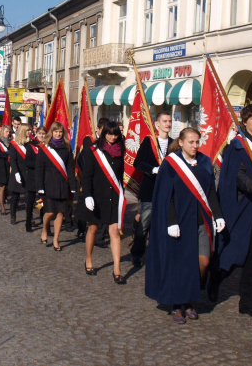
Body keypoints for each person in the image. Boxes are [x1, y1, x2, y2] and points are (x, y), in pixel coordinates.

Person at [146, 128, 225, 323]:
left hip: (202, 221)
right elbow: (166, 196)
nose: (195, 146)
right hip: (180, 222)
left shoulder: (205, 161)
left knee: (203, 262)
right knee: (180, 265)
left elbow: (210, 192)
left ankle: (190, 295)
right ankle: (179, 304)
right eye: (191, 142)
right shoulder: (171, 164)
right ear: (181, 142)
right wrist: (171, 221)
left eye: (197, 142)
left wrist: (218, 215)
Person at [209, 104, 252, 318]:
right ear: (245, 121)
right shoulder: (237, 146)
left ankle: (248, 303)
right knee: (233, 251)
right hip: (241, 206)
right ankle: (215, 279)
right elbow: (235, 176)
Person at [82, 121, 127, 283]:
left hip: (114, 195)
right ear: (104, 133)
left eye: (115, 134)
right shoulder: (94, 150)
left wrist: (122, 194)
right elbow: (87, 175)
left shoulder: (121, 150)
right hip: (96, 195)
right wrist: (87, 195)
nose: (113, 137)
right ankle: (88, 259)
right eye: (109, 133)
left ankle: (117, 269)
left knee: (114, 232)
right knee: (93, 229)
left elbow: (120, 176)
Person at [131, 111, 173, 268]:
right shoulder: (149, 142)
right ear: (157, 124)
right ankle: (137, 253)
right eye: (164, 121)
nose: (168, 124)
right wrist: (153, 169)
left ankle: (157, 255)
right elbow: (138, 163)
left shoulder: (174, 143)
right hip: (149, 190)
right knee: (144, 225)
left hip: (166, 191)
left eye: (169, 121)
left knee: (161, 226)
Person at [36, 122, 77, 251]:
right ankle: (44, 230)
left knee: (60, 213)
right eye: (56, 131)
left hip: (62, 184)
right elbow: (39, 168)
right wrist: (40, 186)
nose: (58, 134)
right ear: (51, 132)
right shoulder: (44, 147)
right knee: (50, 212)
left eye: (60, 132)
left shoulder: (67, 147)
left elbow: (70, 167)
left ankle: (56, 239)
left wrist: (72, 184)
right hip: (48, 183)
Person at [23, 126, 46, 232]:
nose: (41, 136)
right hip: (32, 177)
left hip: (43, 178)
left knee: (42, 201)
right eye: (40, 133)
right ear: (36, 134)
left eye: (43, 134)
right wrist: (39, 165)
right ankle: (28, 223)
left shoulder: (47, 146)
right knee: (30, 201)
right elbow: (27, 162)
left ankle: (44, 221)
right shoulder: (30, 145)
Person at [8, 125, 31, 225]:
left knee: (28, 198)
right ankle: (13, 216)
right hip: (17, 172)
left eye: (30, 130)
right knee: (14, 197)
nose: (30, 132)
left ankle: (28, 218)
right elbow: (13, 160)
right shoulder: (14, 144)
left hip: (28, 173)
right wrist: (16, 173)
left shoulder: (30, 143)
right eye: (28, 130)